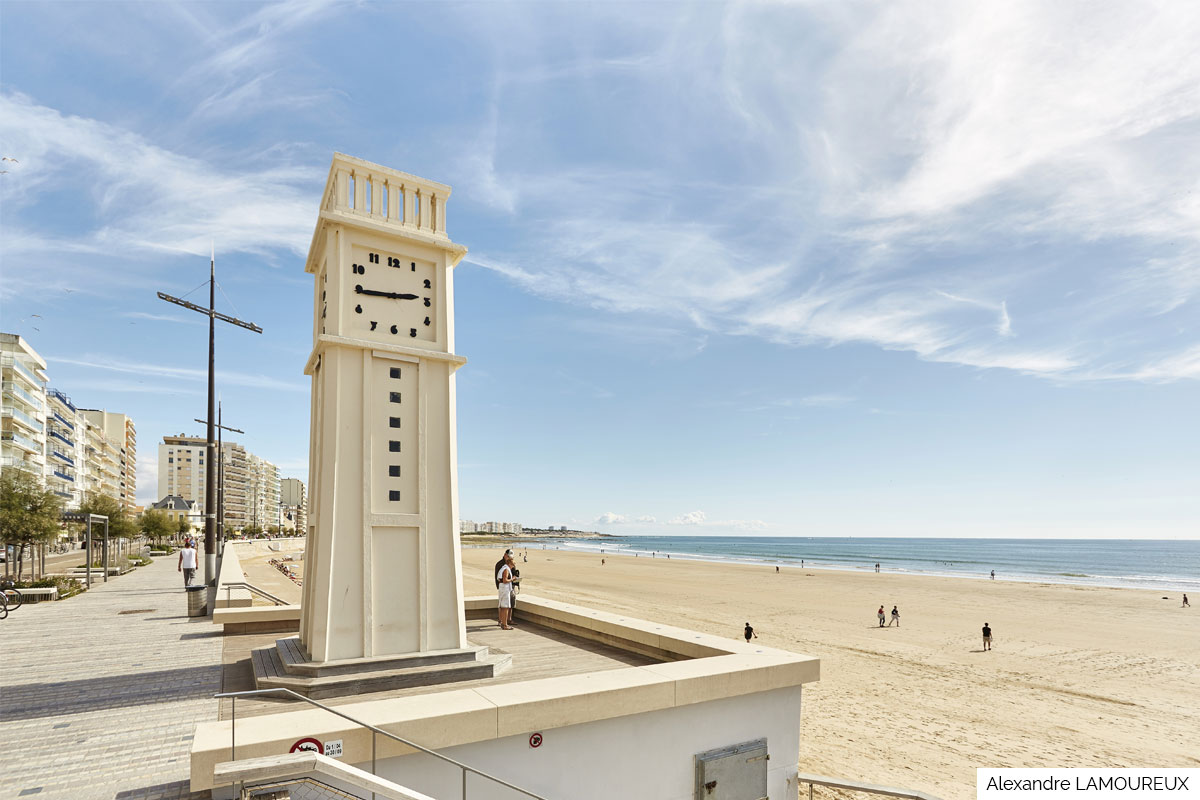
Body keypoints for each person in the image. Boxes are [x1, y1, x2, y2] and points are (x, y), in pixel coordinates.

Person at [497, 552, 516, 630]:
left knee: (502, 606)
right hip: (505, 589)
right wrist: (512, 579)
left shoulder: (504, 568)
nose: (513, 566)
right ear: (509, 564)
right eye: (513, 565)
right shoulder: (506, 569)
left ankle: (502, 622)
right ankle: (505, 624)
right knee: (505, 607)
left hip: (502, 589)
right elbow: (505, 580)